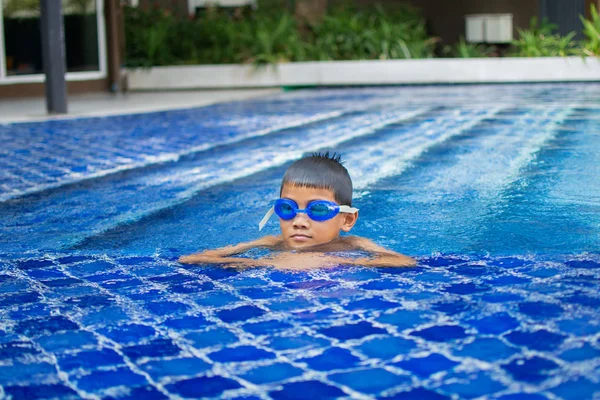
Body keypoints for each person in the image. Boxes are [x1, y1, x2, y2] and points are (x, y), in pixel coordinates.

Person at [179, 152, 416, 270]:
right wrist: (263, 264)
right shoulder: (272, 242)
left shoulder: (353, 245)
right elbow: (194, 258)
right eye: (287, 209)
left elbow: (404, 261)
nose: (299, 221)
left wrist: (334, 261)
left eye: (318, 210)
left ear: (347, 219)